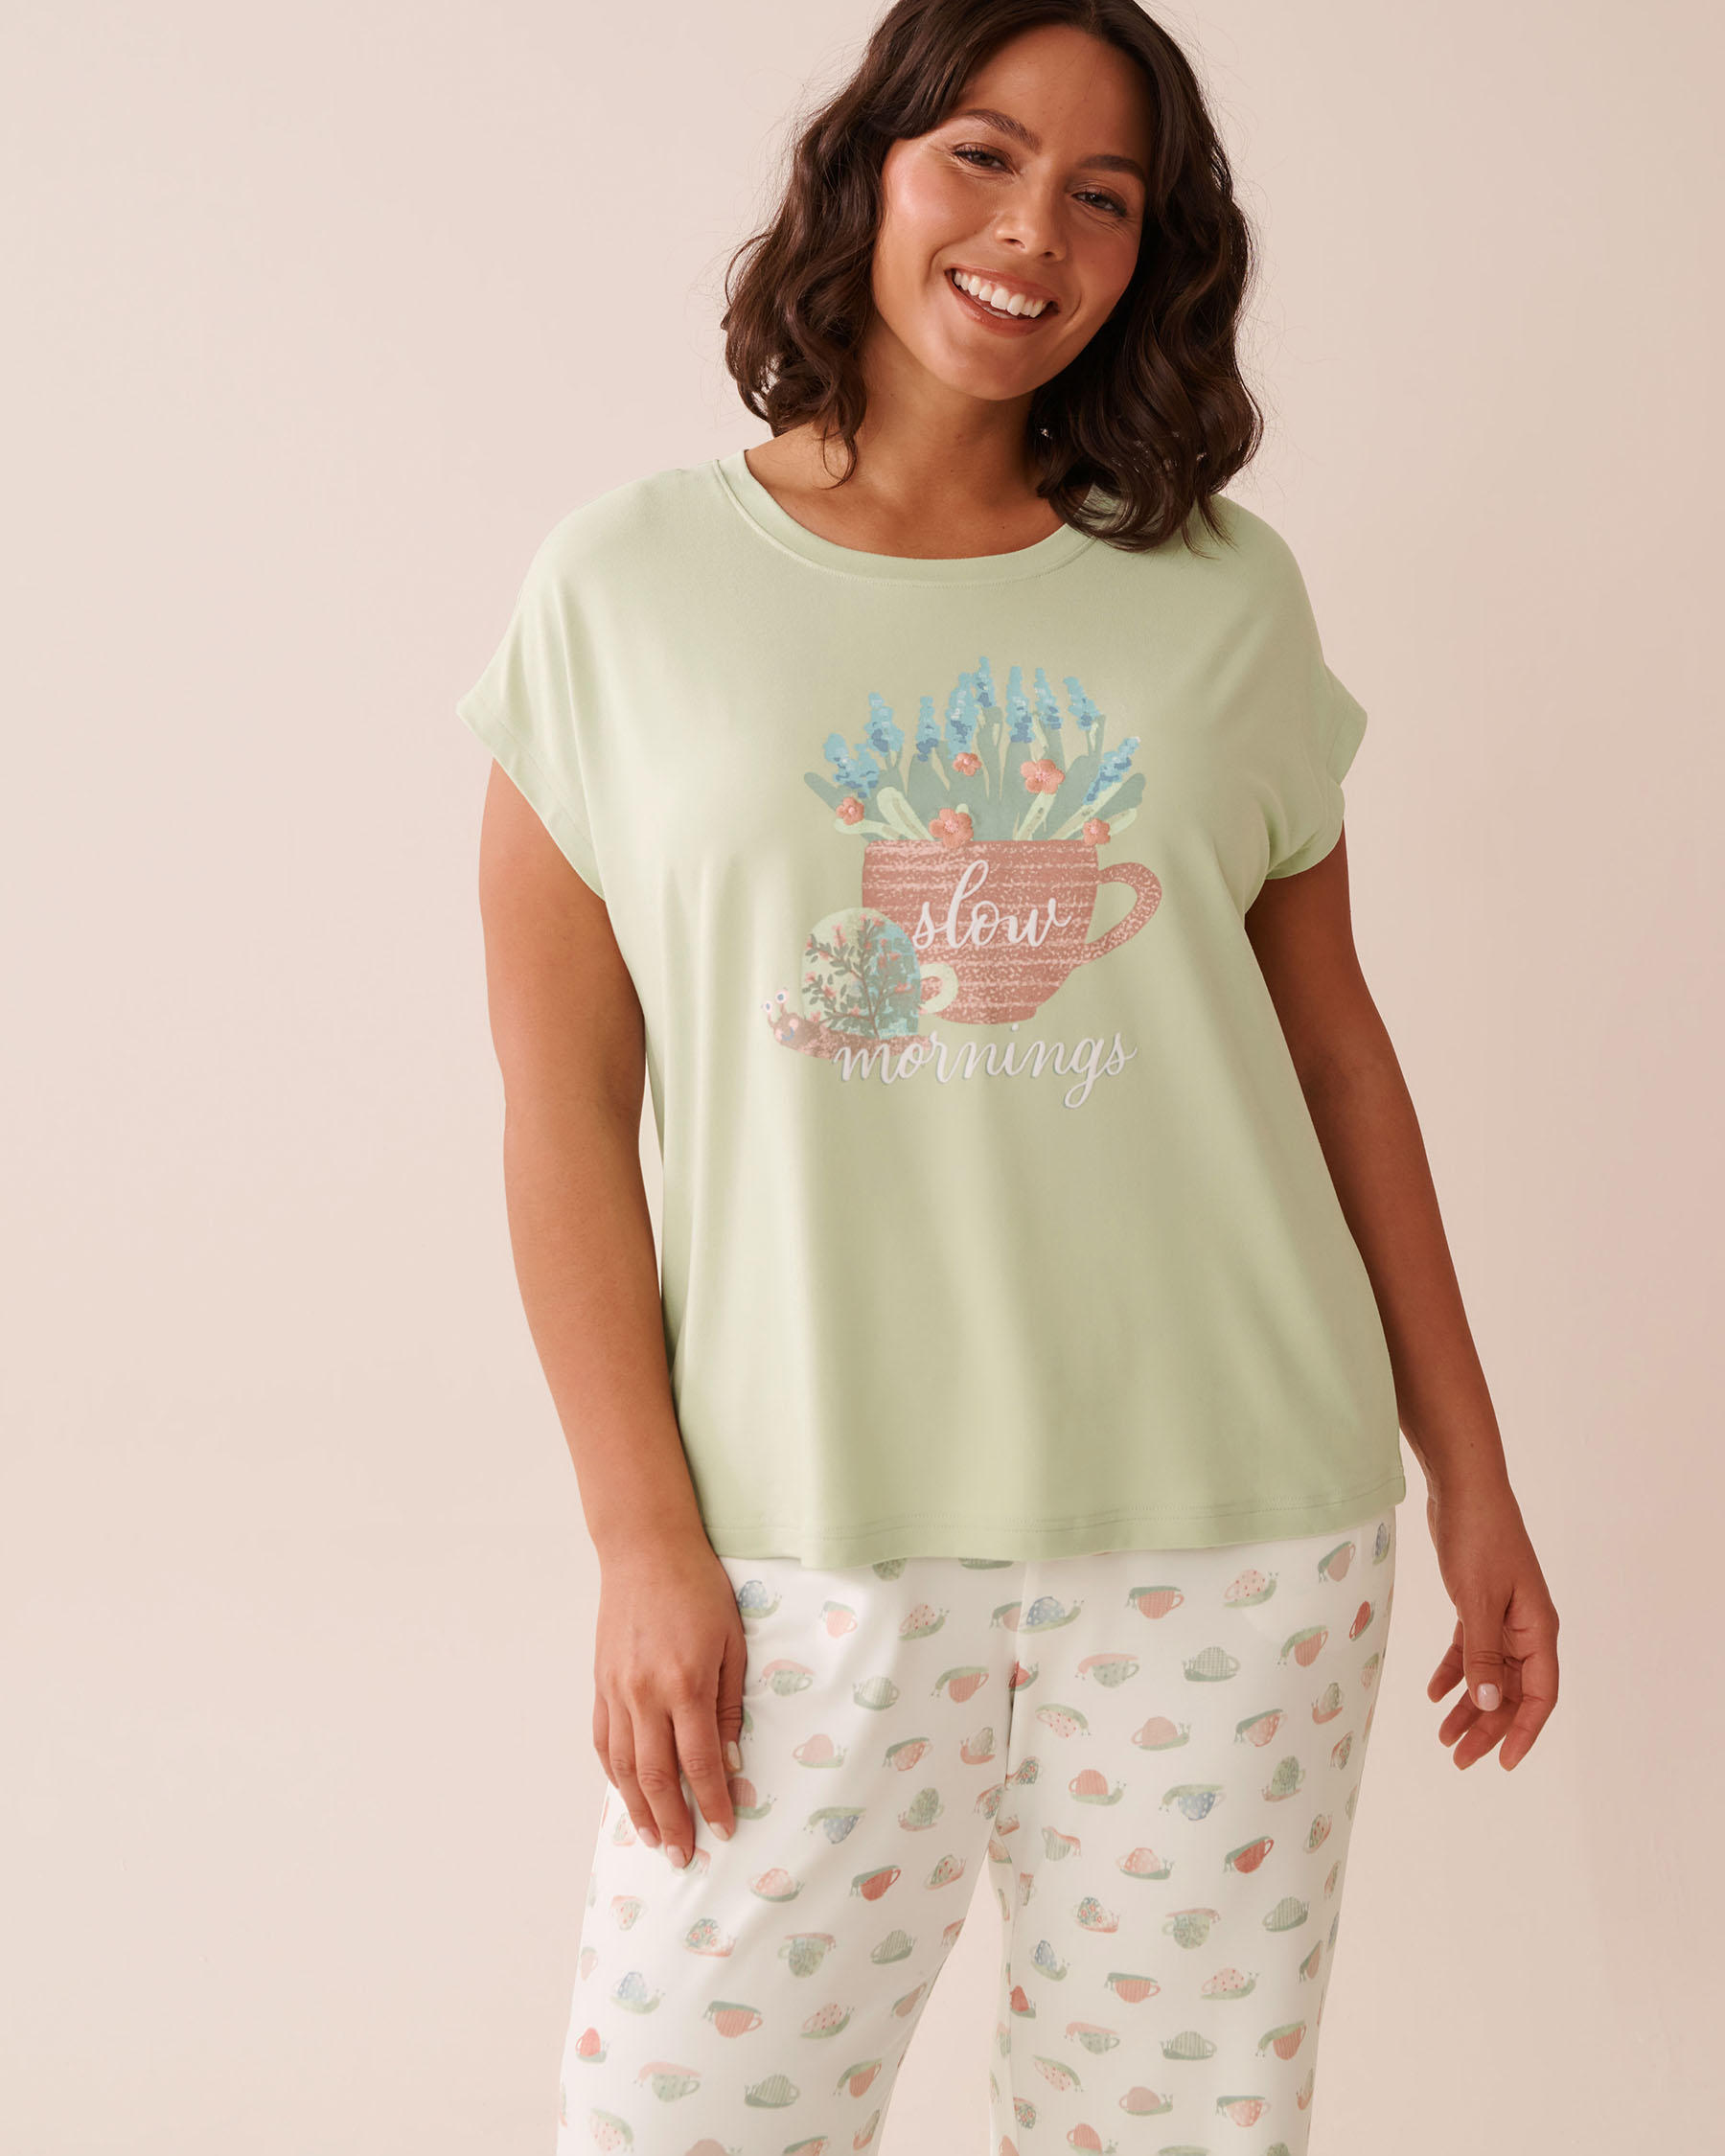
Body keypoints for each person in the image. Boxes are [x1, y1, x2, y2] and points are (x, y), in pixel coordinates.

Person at [455, 3, 1561, 2149]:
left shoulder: (1223, 596)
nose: (1033, 230)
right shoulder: (623, 590)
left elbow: (1335, 1055)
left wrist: (1474, 1472)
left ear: (1153, 254)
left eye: (1103, 195)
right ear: (866, 167)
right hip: (802, 1545)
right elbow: (562, 1109)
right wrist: (640, 1539)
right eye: (981, 154)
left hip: (1235, 1536)